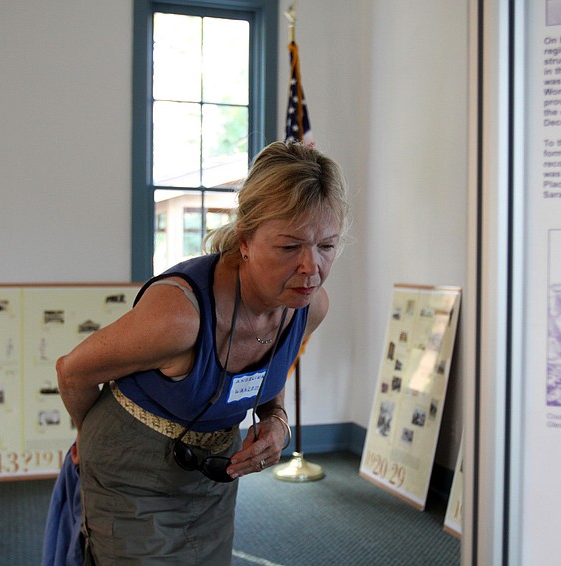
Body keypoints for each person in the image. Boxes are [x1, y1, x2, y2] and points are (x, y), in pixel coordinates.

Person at [55, 140, 350, 564]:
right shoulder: (180, 317)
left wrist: (276, 422)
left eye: (326, 246)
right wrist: (88, 438)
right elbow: (72, 371)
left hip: (212, 474)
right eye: (289, 247)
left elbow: (271, 380)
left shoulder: (310, 307)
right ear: (245, 240)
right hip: (130, 473)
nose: (311, 268)